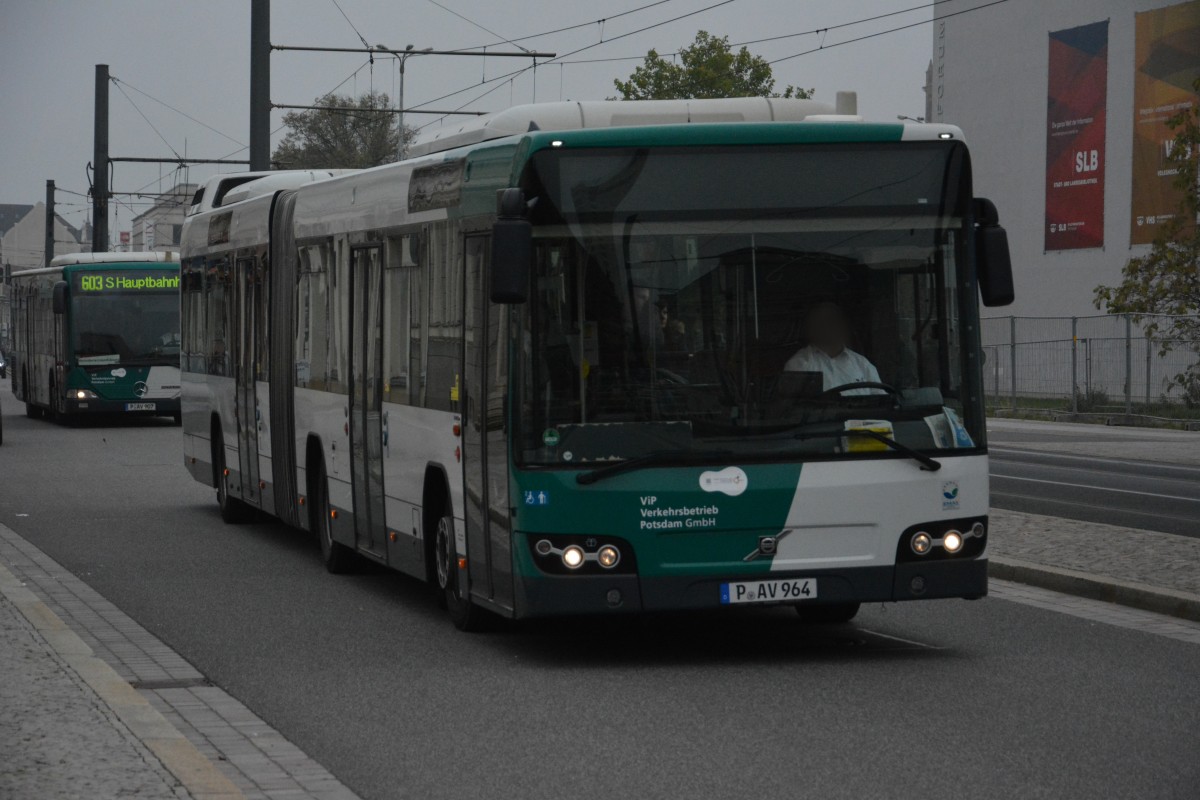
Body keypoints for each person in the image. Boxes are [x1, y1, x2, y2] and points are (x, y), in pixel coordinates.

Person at [783, 302, 882, 395]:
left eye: (834, 320)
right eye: (823, 322)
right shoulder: (800, 364)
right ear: (812, 328)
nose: (831, 327)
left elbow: (881, 402)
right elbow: (795, 408)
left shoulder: (862, 364)